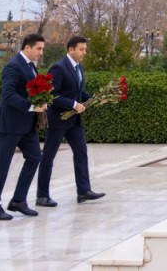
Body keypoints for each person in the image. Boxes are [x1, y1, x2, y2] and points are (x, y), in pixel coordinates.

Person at [35, 35, 105, 206]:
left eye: (85, 49)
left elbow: (77, 93)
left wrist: (95, 99)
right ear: (71, 49)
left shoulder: (78, 67)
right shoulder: (58, 68)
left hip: (74, 121)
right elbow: (51, 95)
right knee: (48, 157)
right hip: (58, 120)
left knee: (81, 152)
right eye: (81, 49)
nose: (84, 53)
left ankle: (83, 191)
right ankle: (42, 196)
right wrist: (73, 104)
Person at [0, 32, 47, 221]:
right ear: (27, 48)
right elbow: (8, 95)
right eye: (38, 49)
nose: (41, 53)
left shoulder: (30, 66)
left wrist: (42, 100)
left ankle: (18, 200)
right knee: (2, 166)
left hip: (27, 125)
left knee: (35, 157)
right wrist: (31, 106)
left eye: (42, 49)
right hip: (10, 125)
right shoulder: (13, 66)